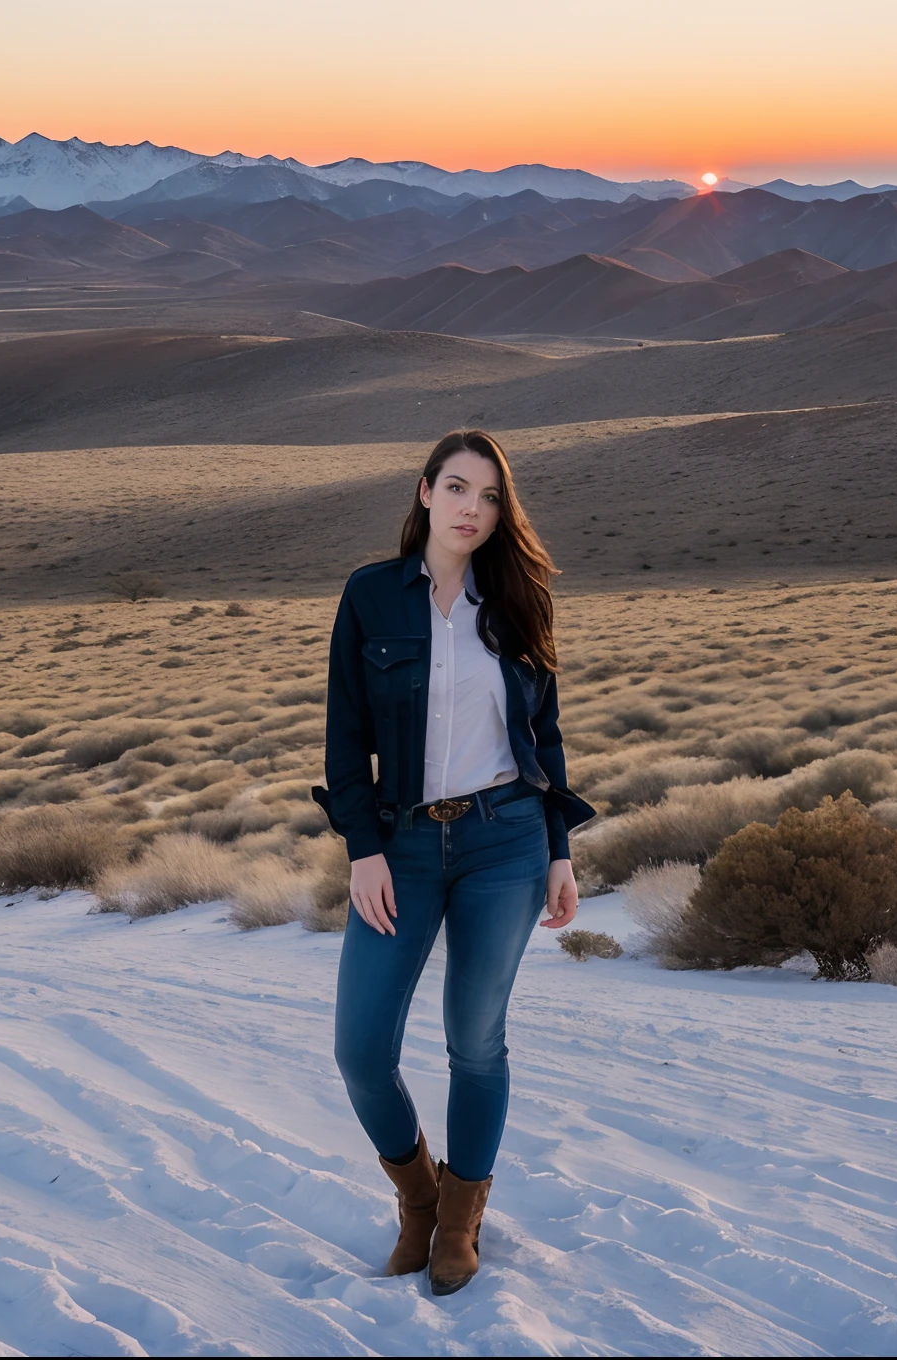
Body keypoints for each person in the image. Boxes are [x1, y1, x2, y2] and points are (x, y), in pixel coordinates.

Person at [312, 429, 595, 1296]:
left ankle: (460, 1227)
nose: (475, 508)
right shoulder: (371, 596)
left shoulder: (519, 596)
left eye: (492, 496)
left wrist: (558, 850)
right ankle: (419, 1201)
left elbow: (543, 734)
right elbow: (344, 737)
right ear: (426, 491)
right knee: (361, 1050)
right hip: (400, 845)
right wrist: (363, 850)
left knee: (476, 1040)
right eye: (460, 489)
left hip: (504, 838)